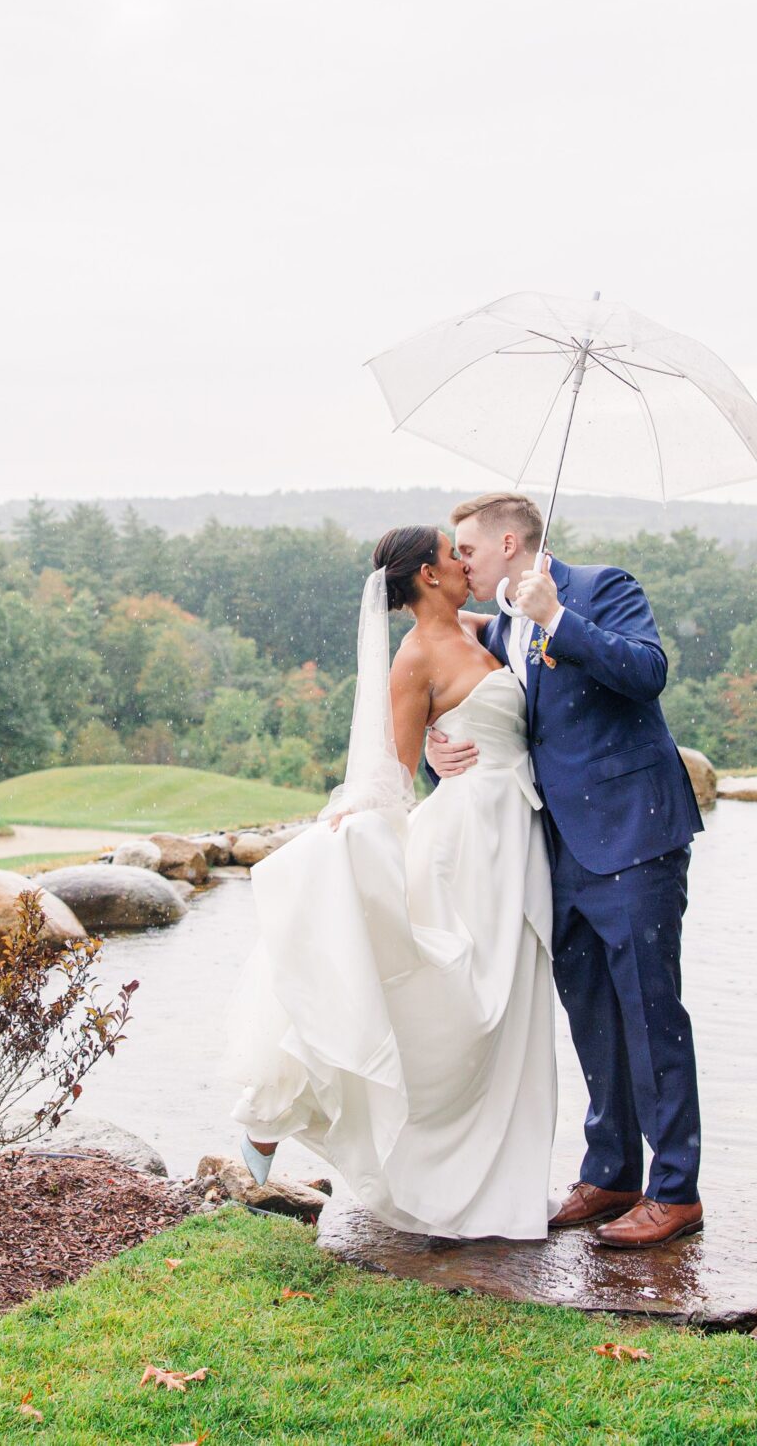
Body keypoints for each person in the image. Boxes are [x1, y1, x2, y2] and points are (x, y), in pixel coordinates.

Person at [221, 525, 557, 1240]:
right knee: (464, 1007)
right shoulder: (413, 658)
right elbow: (391, 774)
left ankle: (504, 1183)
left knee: (512, 1013)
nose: (466, 561)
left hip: (512, 840)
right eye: (452, 553)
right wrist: (347, 826)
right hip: (465, 845)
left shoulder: (486, 630)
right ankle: (309, 1111)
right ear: (428, 576)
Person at [430, 491, 705, 1249]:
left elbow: (648, 671)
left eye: (469, 549)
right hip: (559, 850)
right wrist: (436, 750)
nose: (461, 563)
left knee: (651, 1012)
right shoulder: (501, 625)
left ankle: (675, 1189)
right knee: (591, 1013)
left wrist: (558, 617)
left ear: (510, 542)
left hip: (634, 839)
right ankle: (611, 1168)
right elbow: (477, 710)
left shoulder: (599, 588)